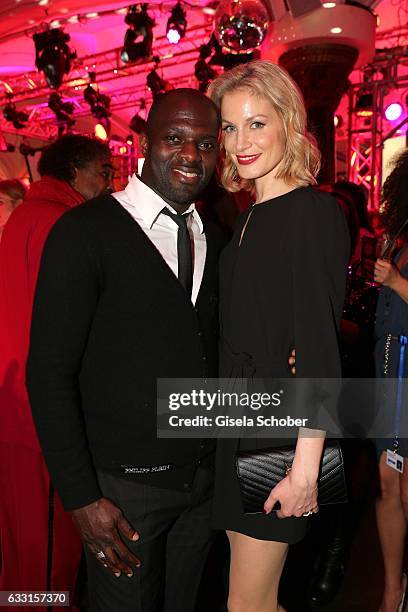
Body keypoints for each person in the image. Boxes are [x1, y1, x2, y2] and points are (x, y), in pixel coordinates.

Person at [25, 89, 225, 612]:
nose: (190, 156)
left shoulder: (217, 236)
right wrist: (81, 499)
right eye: (175, 139)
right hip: (122, 494)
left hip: (200, 487)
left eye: (205, 143)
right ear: (142, 143)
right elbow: (48, 373)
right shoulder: (84, 232)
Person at [208, 60, 349, 612]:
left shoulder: (310, 212)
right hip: (238, 419)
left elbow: (318, 350)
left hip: (280, 429)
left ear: (288, 121)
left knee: (247, 602)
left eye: (257, 123)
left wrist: (305, 471)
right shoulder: (247, 218)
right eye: (229, 126)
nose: (241, 142)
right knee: (251, 598)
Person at [0, 134, 113, 609]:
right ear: (77, 171)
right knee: (48, 559)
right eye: (104, 171)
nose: (109, 182)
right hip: (42, 415)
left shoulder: (28, 215)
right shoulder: (63, 221)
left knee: (21, 549)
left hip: (17, 409)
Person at [373, 149, 408, 612]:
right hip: (387, 366)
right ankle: (391, 588)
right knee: (387, 481)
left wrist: (398, 283)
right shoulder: (398, 232)